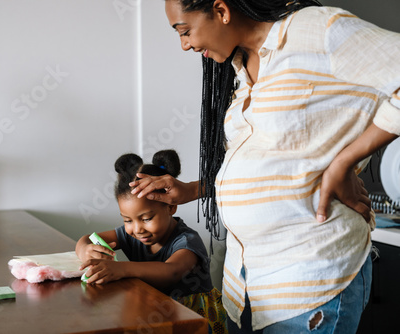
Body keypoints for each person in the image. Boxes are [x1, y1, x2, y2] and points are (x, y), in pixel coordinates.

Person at [130, 0, 400, 333]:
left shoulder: (317, 30)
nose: (185, 44)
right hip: (246, 286)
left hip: (310, 279)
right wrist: (191, 191)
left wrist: (344, 162)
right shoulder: (242, 64)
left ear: (221, 10)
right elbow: (268, 166)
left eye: (185, 31)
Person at [75, 149, 228, 333]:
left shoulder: (187, 241)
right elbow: (87, 239)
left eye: (146, 219)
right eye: (127, 220)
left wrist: (121, 269)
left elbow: (171, 272)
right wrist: (84, 249)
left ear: (171, 207)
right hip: (154, 313)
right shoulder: (131, 234)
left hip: (193, 321)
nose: (137, 229)